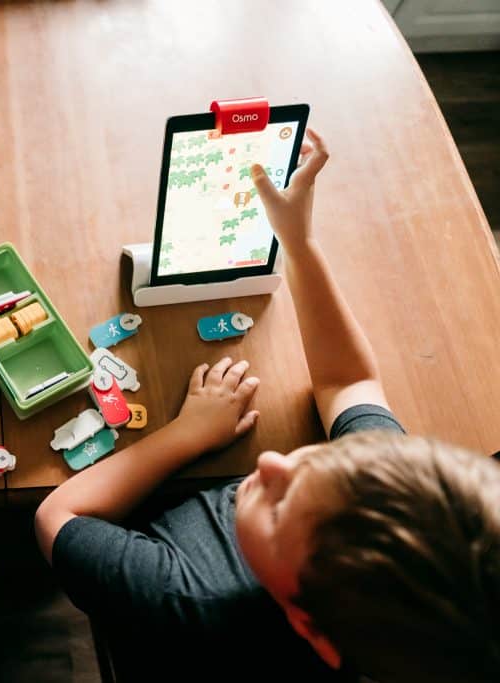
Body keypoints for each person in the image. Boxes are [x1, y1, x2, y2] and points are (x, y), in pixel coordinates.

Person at [34, 130, 500, 682]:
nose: (274, 462)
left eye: (281, 513)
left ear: (311, 629)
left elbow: (58, 515)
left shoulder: (184, 598)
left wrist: (188, 435)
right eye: (317, 464)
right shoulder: (375, 492)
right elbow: (348, 380)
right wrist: (298, 240)